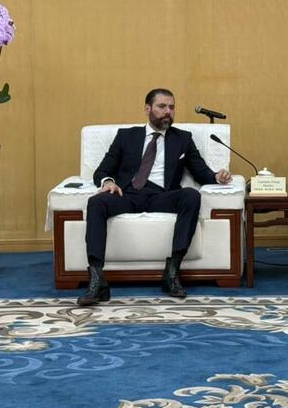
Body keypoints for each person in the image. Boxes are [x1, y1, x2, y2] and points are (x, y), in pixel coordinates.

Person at [77, 88, 232, 306]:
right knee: (96, 202)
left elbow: (201, 172)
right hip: (127, 195)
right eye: (162, 106)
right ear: (147, 109)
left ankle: (172, 273)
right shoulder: (126, 137)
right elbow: (102, 171)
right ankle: (97, 280)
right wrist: (108, 182)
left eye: (172, 107)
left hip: (162, 196)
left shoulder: (183, 139)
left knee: (191, 195)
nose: (168, 111)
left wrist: (217, 176)